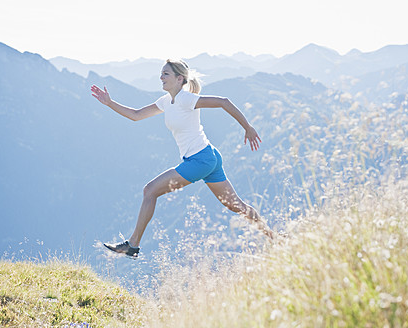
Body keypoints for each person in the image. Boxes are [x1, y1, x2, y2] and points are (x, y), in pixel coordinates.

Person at [91, 59, 274, 258]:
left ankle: (133, 245)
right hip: (208, 156)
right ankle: (275, 238)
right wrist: (109, 103)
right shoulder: (165, 101)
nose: (161, 77)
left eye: (166, 74)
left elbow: (224, 102)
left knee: (150, 191)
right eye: (161, 73)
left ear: (179, 79)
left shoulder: (186, 99)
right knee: (236, 205)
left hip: (200, 160)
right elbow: (136, 115)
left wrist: (248, 127)